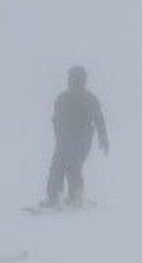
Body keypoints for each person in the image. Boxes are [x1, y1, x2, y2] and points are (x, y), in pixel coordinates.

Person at [40, 65, 109, 209]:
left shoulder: (90, 100)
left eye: (78, 81)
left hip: (82, 141)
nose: (75, 84)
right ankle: (53, 197)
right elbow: (56, 120)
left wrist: (104, 139)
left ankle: (76, 196)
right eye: (72, 81)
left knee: (73, 165)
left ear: (83, 82)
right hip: (64, 140)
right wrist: (59, 139)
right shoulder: (62, 99)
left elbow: (99, 120)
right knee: (57, 166)